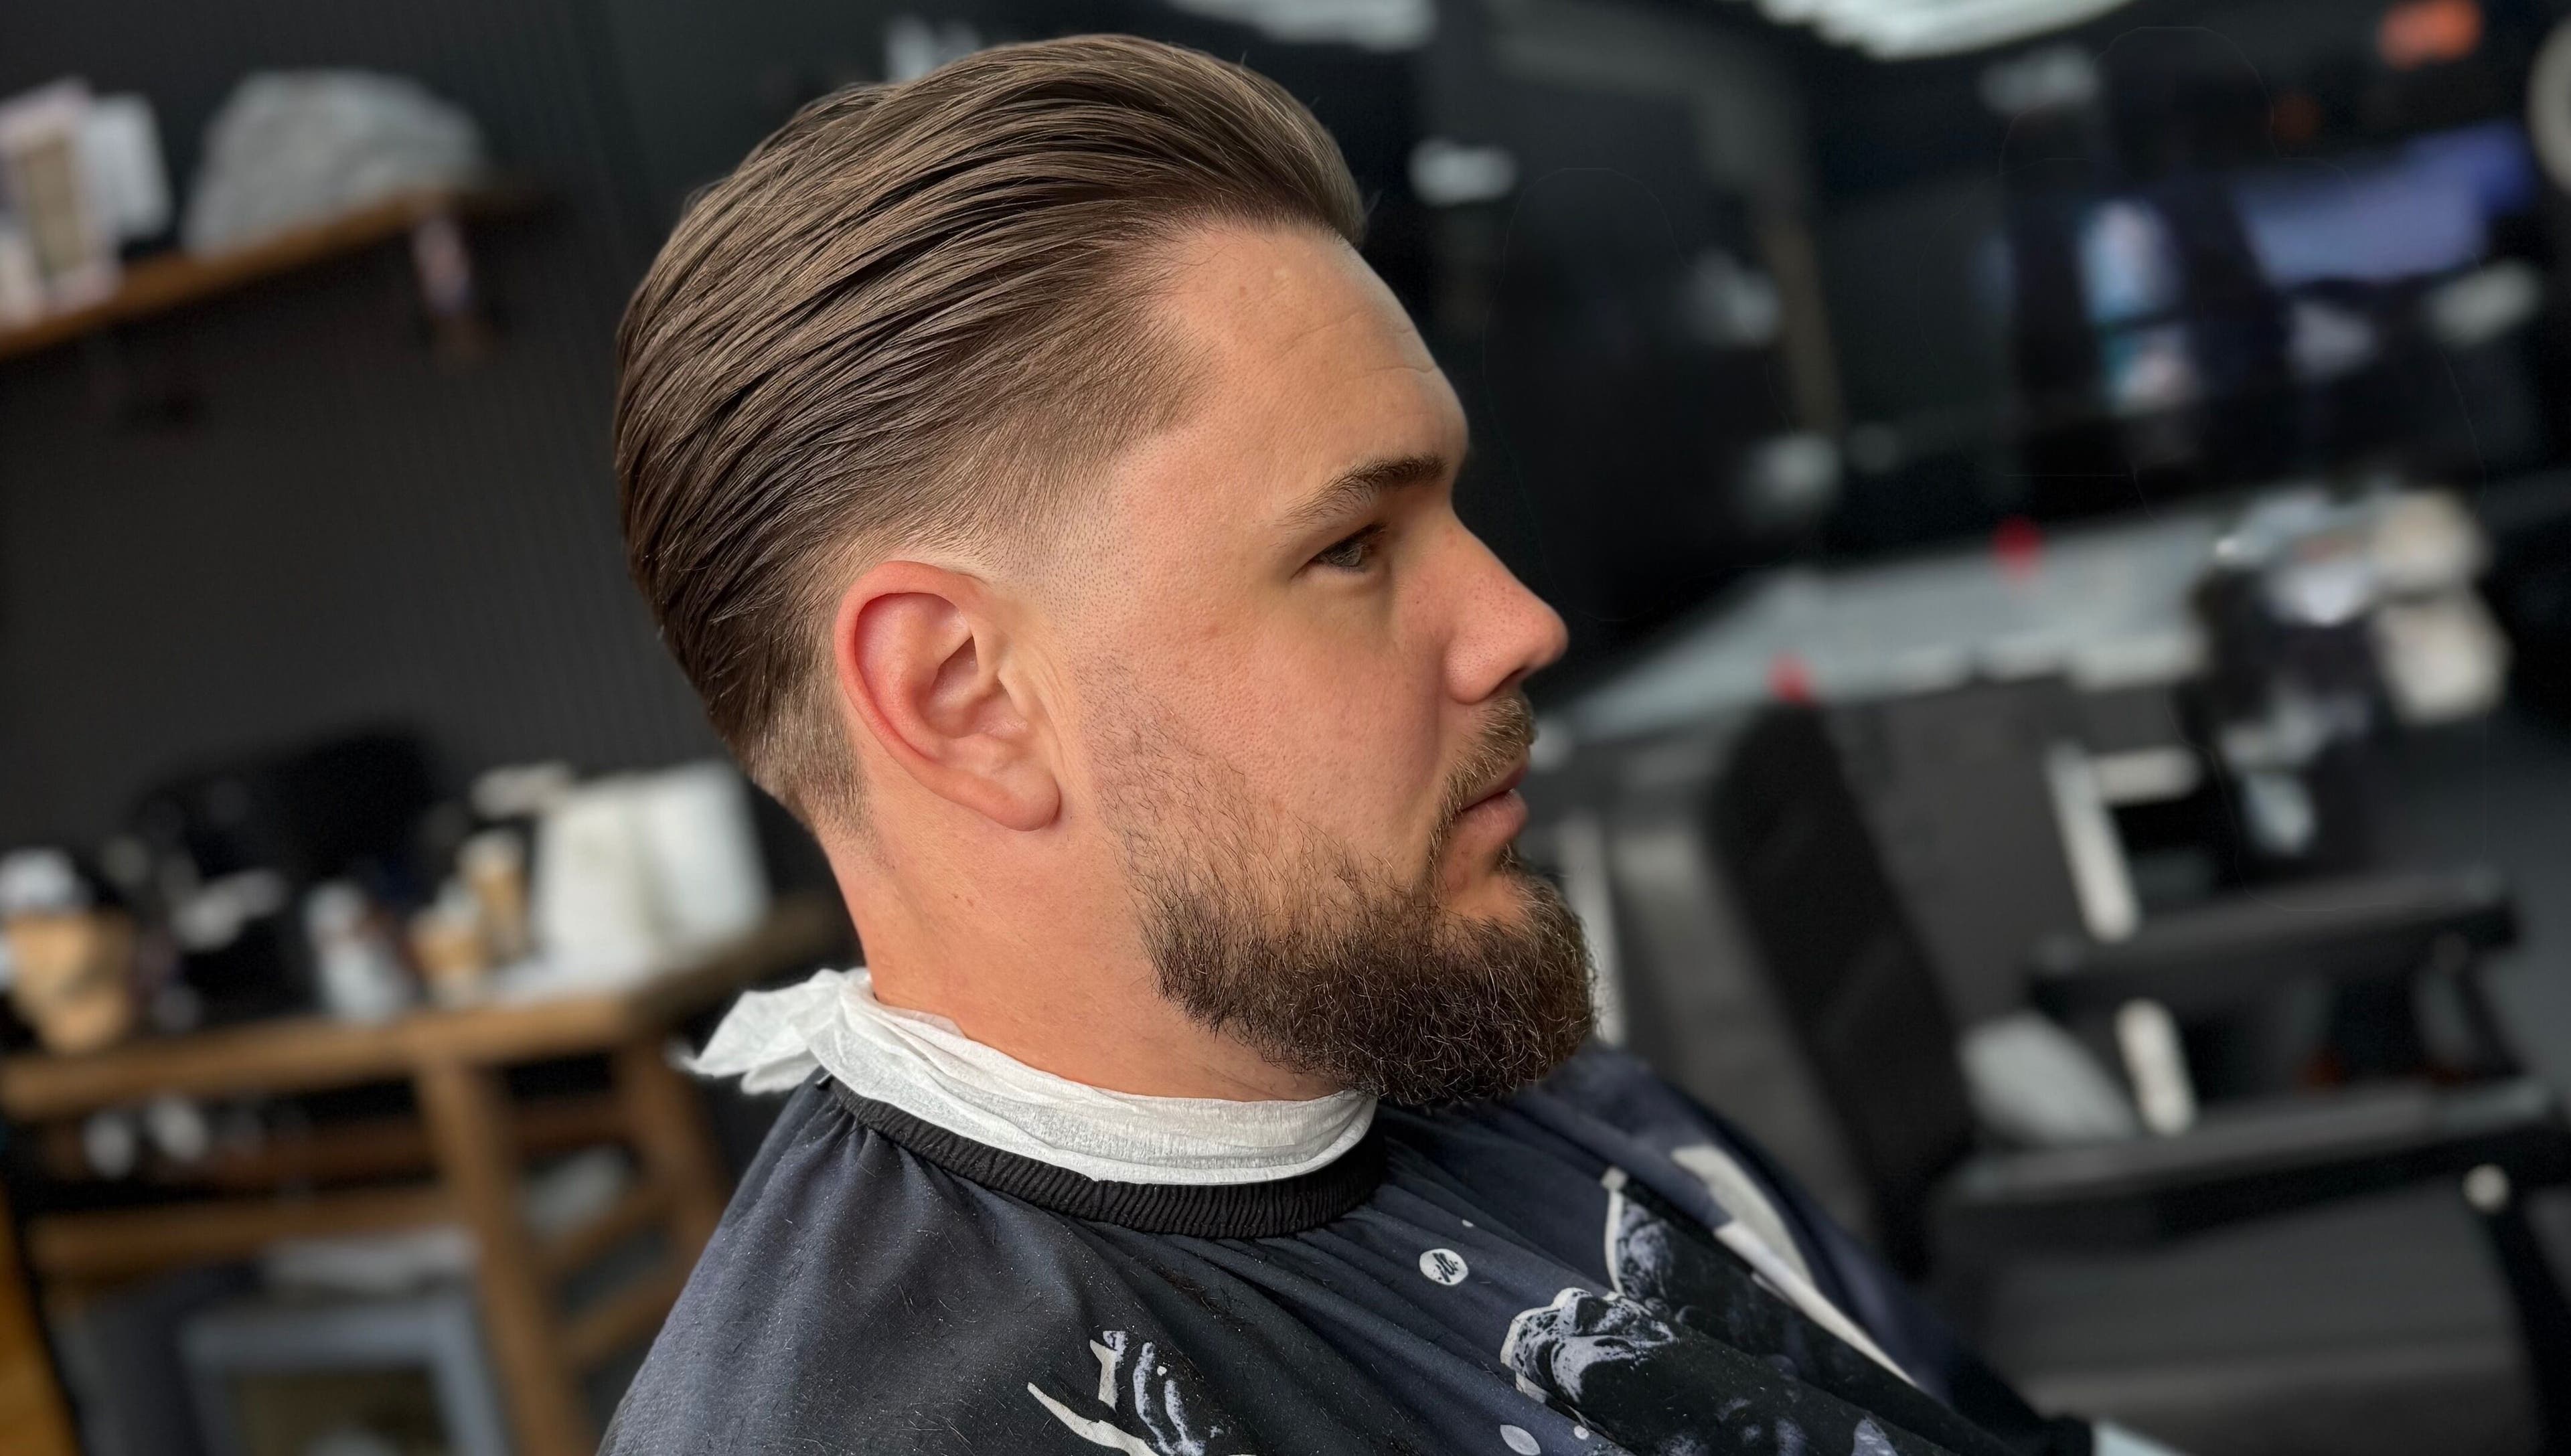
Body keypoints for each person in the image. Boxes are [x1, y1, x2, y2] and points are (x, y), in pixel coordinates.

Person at [605, 35, 2169, 1456]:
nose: (1518, 622)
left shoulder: (1472, 1051)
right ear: (968, 699)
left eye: (1451, 513)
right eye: (1353, 543)